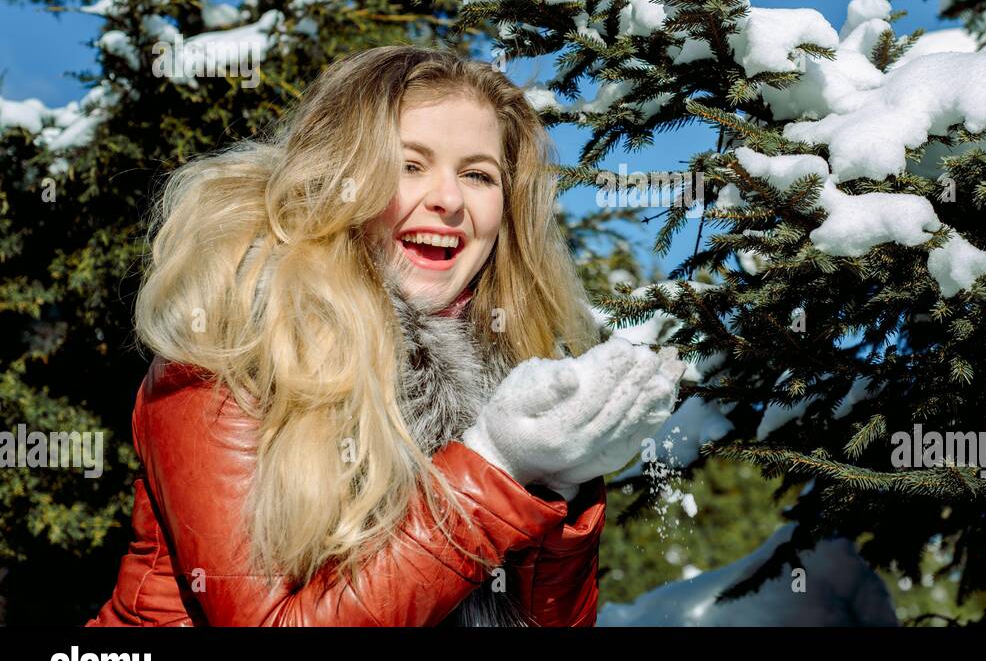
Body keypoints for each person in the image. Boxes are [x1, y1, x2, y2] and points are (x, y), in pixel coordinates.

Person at [85, 45, 685, 626]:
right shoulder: (235, 346)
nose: (448, 200)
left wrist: (565, 485)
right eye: (410, 164)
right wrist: (495, 468)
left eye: (478, 175)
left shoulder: (514, 376)